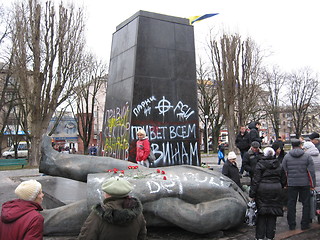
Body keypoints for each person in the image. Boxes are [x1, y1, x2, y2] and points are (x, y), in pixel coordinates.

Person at [78, 177, 147, 240]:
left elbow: (86, 237)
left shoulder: (98, 215)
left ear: (107, 195)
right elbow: (142, 236)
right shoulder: (137, 214)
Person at [249, 147, 286, 240]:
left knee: (261, 214)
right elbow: (283, 180)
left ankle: (260, 237)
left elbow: (255, 180)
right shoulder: (279, 165)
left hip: (262, 190)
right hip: (276, 190)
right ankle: (270, 236)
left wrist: (252, 194)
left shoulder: (260, 165)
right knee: (272, 214)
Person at [282, 139, 316, 230]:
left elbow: (284, 171)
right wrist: (312, 185)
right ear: (300, 145)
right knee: (306, 204)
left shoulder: (287, 157)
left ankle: (292, 224)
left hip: (291, 184)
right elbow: (311, 172)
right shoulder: (307, 156)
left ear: (292, 145)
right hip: (305, 183)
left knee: (291, 204)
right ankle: (305, 224)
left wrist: (285, 183)